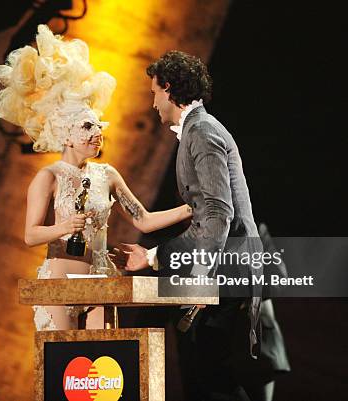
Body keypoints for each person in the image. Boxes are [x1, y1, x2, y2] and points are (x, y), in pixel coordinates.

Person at [0, 25, 192, 331]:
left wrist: (191, 208)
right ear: (65, 135)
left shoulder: (106, 174)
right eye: (86, 127)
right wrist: (64, 227)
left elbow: (143, 219)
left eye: (98, 126)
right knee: (65, 370)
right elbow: (30, 236)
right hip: (59, 286)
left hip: (100, 283)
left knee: (104, 367)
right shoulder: (48, 177)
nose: (96, 133)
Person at [118, 50, 263, 400]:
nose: (153, 103)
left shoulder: (202, 131)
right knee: (203, 373)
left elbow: (217, 213)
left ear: (168, 88)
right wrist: (155, 258)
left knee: (213, 377)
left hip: (227, 269)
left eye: (154, 92)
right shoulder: (198, 130)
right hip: (223, 266)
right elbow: (204, 215)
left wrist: (196, 278)